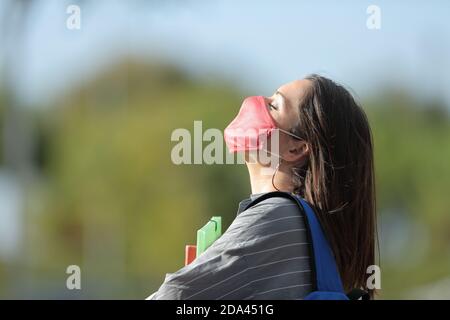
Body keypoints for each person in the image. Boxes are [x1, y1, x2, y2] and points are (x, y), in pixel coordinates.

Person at [148, 74, 377, 300]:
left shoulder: (278, 216)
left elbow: (175, 295)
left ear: (295, 149)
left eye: (275, 105)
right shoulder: (304, 228)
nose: (256, 102)